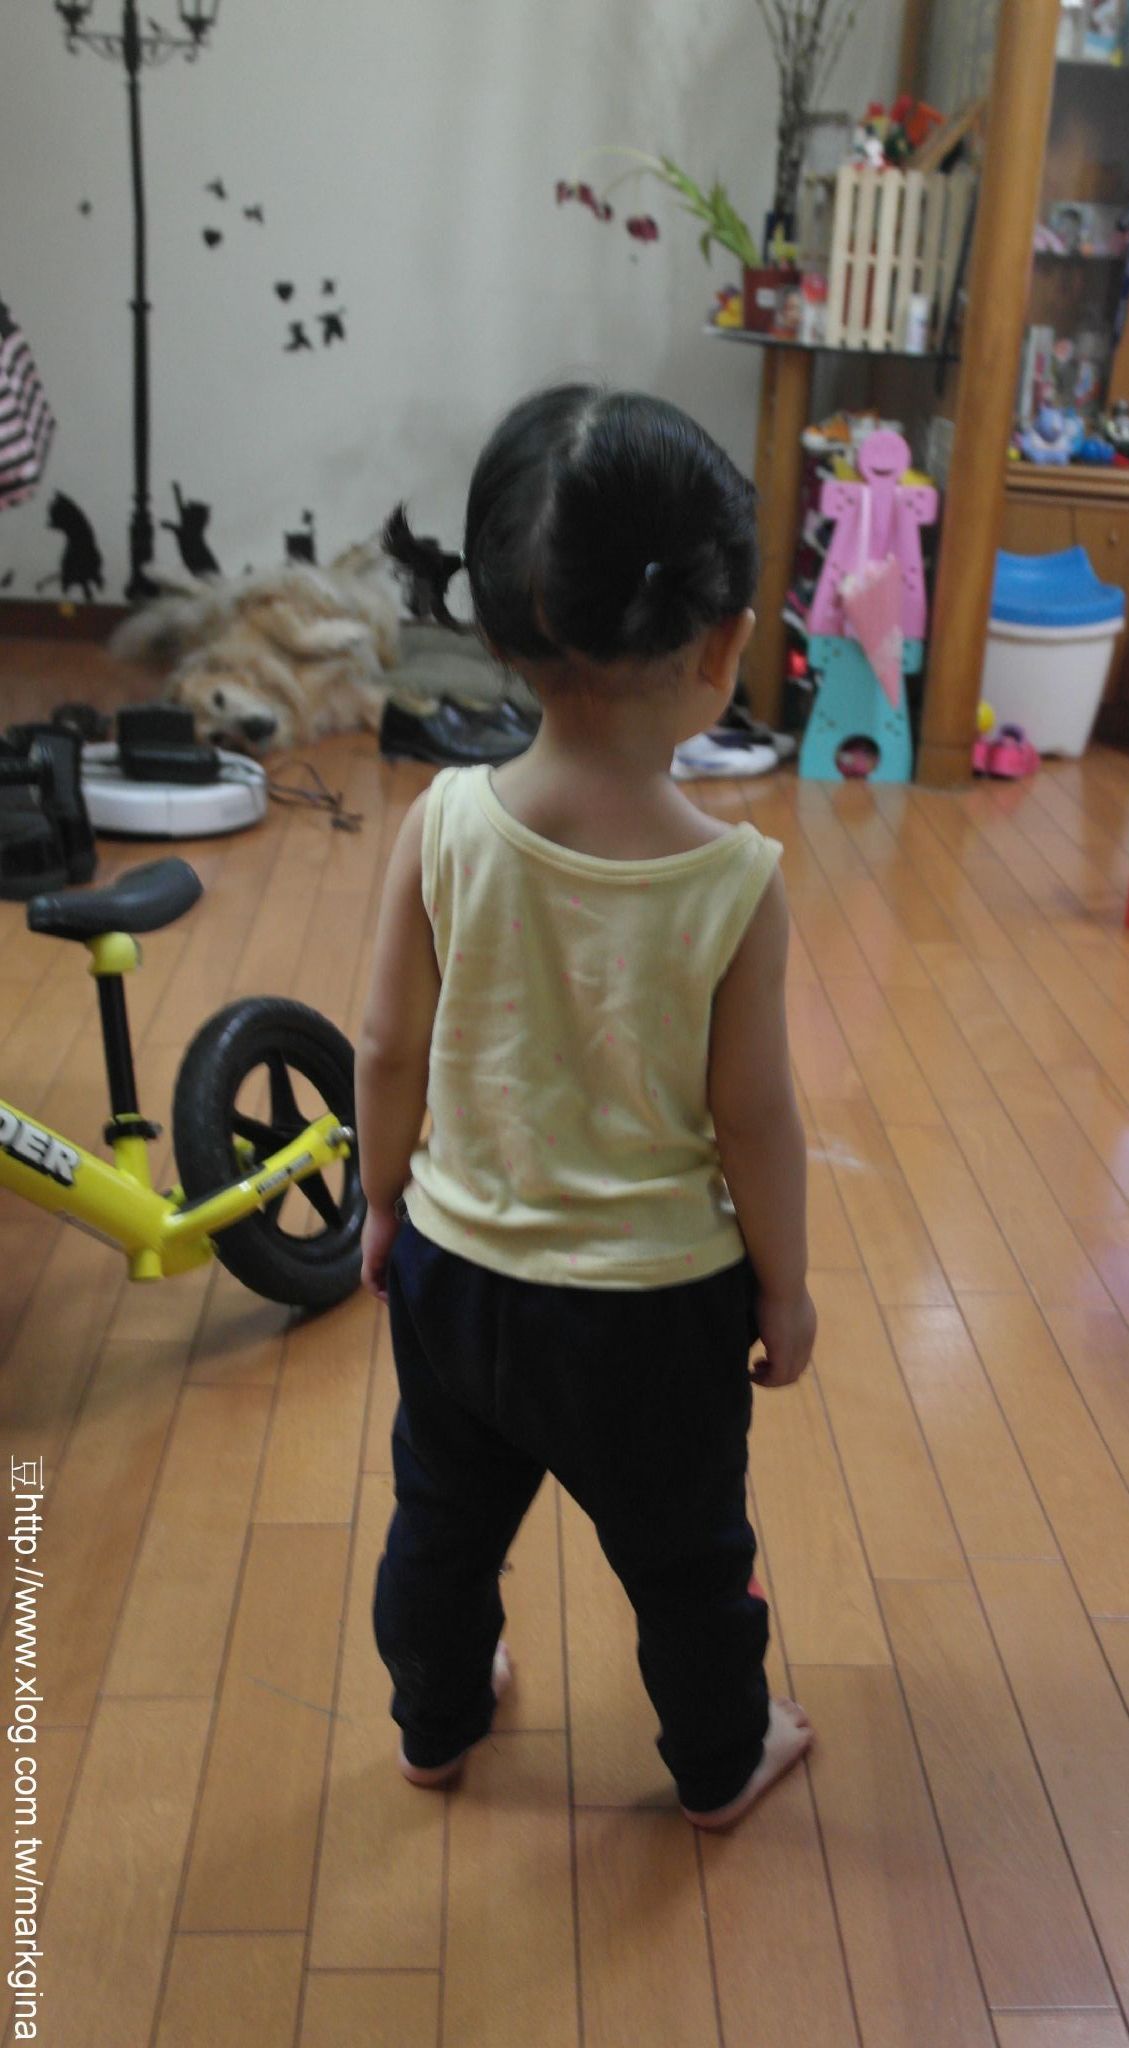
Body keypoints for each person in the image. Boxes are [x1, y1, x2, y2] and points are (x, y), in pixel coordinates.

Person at [357, 386, 816, 1830]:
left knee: (442, 1527)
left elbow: (385, 1046)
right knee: (687, 1559)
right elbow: (757, 1121)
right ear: (724, 644)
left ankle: (435, 1724)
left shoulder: (442, 825)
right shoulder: (733, 886)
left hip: (458, 1279)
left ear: (499, 628)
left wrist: (383, 1205)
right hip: (652, 1317)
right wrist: (785, 1288)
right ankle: (720, 1758)